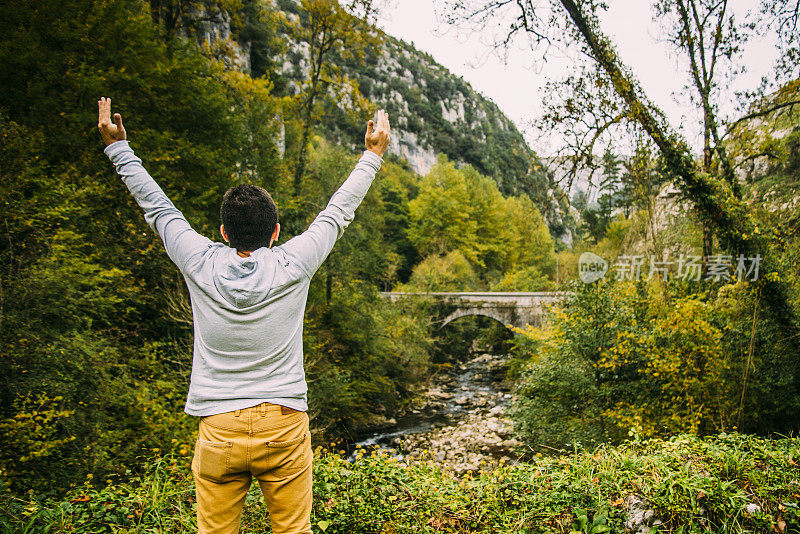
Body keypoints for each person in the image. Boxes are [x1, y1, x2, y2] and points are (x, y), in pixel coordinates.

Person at [97, 97, 390, 534]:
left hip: (218, 426)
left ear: (222, 232)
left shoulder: (199, 260)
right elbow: (337, 212)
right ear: (275, 231)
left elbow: (158, 209)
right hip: (284, 420)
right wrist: (373, 153)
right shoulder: (295, 261)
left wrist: (119, 148)